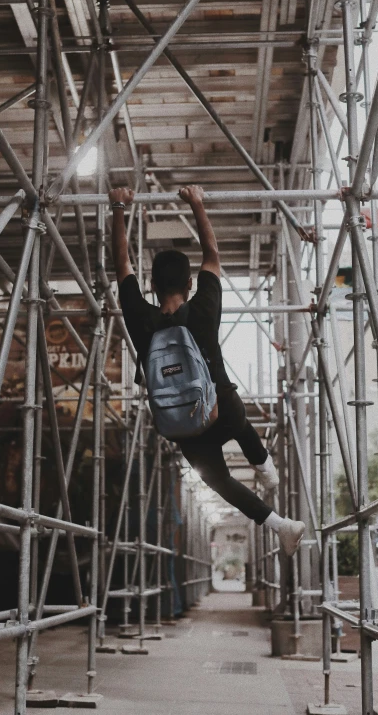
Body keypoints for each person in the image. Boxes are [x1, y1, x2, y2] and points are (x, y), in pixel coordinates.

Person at [109, 184, 305, 556]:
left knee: (219, 480)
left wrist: (119, 206)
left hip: (181, 424)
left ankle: (281, 525)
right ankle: (265, 467)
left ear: (150, 286)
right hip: (223, 410)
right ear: (189, 283)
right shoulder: (202, 308)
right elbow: (211, 253)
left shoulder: (140, 317)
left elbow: (121, 264)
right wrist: (197, 202)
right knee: (237, 415)